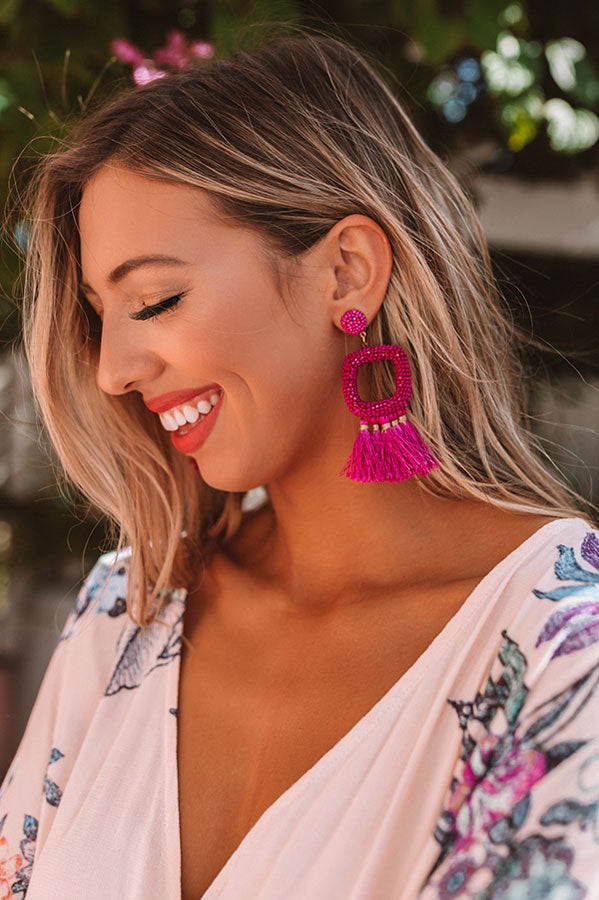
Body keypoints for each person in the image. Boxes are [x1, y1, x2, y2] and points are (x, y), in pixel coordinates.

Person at [1, 24, 598, 900]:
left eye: (155, 300)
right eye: (101, 314)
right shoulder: (130, 605)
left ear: (346, 273)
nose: (112, 371)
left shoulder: (563, 644)